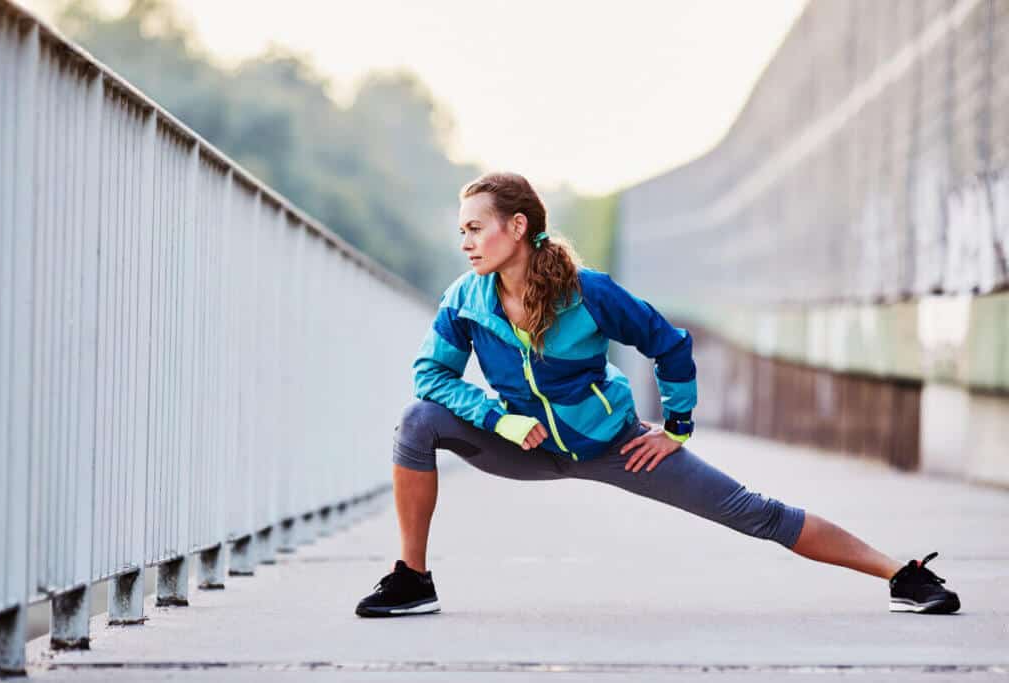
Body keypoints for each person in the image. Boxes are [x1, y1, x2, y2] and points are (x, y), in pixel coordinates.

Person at [354, 172, 960, 618]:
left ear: (518, 227)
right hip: (524, 443)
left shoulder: (587, 293)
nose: (467, 242)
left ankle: (901, 573)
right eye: (462, 230)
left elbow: (669, 344)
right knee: (418, 421)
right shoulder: (465, 298)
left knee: (755, 512)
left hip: (612, 443)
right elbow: (430, 378)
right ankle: (412, 577)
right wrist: (496, 419)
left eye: (476, 228)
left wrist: (675, 428)